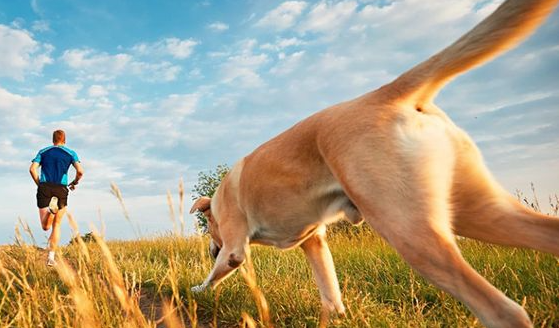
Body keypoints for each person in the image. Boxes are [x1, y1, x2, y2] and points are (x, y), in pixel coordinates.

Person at [29, 130, 84, 266]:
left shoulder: (43, 151)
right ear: (64, 140)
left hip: (45, 187)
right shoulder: (71, 153)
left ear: (53, 140)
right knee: (56, 225)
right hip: (61, 189)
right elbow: (80, 171)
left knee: (45, 226)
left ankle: (50, 211)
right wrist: (75, 182)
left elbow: (32, 169)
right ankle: (51, 258)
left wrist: (39, 184)